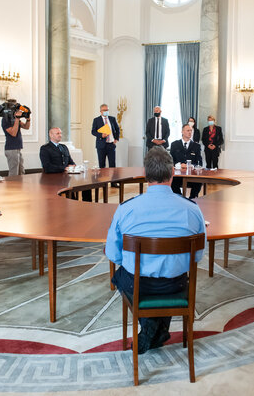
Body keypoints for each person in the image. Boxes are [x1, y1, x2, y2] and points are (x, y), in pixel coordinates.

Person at [105, 146, 206, 354]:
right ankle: (157, 329)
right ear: (172, 174)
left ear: (145, 175)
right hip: (175, 284)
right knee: (171, 273)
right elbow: (197, 257)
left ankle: (150, 327)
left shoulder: (126, 209)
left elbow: (113, 255)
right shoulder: (192, 209)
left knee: (120, 276)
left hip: (139, 286)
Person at [39, 127, 91, 201]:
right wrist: (64, 168)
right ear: (51, 135)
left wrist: (74, 166)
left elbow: (71, 162)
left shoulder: (64, 147)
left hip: (67, 177)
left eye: (60, 133)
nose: (60, 135)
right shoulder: (45, 148)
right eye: (57, 133)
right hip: (53, 179)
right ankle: (72, 203)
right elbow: (47, 167)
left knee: (86, 184)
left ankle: (87, 206)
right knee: (70, 190)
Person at [170, 124, 204, 199]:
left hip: (192, 176)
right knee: (171, 181)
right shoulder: (174, 144)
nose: (190, 132)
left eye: (191, 131)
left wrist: (190, 166)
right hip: (178, 176)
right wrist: (179, 165)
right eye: (188, 130)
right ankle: (180, 198)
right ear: (182, 132)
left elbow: (200, 162)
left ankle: (192, 199)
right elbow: (170, 160)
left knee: (199, 181)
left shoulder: (196, 146)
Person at [2, 99, 31, 176]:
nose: (17, 110)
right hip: (11, 149)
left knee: (21, 171)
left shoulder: (15, 119)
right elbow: (13, 133)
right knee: (14, 173)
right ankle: (11, 188)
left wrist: (28, 119)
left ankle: (21, 187)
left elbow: (26, 127)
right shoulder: (5, 120)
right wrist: (17, 119)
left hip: (18, 148)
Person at [91, 103, 120, 168]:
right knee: (102, 165)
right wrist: (101, 135)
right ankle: (102, 178)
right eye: (104, 110)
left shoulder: (112, 119)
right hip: (101, 145)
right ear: (100, 111)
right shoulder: (96, 120)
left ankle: (113, 178)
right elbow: (93, 132)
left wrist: (116, 139)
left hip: (111, 145)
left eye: (107, 110)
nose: (106, 111)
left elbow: (117, 129)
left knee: (112, 164)